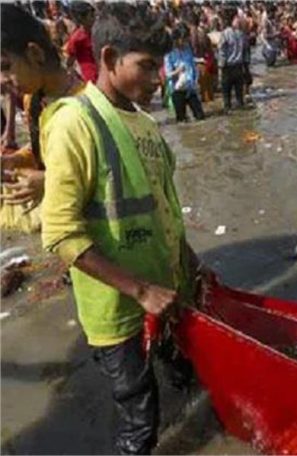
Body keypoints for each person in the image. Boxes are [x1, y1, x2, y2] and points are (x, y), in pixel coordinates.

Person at [40, 4, 209, 453]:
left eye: (161, 66)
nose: (159, 78)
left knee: (186, 368)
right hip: (118, 306)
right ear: (110, 58)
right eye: (147, 66)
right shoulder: (74, 124)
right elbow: (60, 233)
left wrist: (191, 265)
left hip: (165, 289)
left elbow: (164, 211)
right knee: (138, 411)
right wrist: (140, 291)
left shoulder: (146, 125)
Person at [0, 4, 85, 233]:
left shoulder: (85, 106)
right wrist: (17, 159)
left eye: (5, 67)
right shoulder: (34, 101)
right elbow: (43, 149)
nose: (1, 80)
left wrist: (49, 182)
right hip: (64, 223)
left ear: (35, 54)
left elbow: (101, 171)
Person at [165, 24, 205, 122]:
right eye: (183, 39)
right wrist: (177, 71)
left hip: (190, 88)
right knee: (181, 120)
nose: (186, 41)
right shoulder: (169, 53)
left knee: (200, 116)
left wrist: (197, 73)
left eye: (187, 38)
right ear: (176, 39)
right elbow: (167, 74)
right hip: (177, 90)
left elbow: (191, 64)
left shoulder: (188, 49)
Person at [218, 7, 247, 112]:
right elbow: (245, 52)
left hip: (229, 67)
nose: (239, 19)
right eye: (237, 17)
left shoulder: (226, 34)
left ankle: (229, 113)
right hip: (237, 67)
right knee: (239, 97)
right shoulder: (240, 34)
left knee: (227, 96)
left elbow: (222, 51)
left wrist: (221, 67)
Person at [65, 1, 98, 83]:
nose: (94, 18)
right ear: (81, 18)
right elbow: (69, 62)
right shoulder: (76, 39)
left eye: (94, 14)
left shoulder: (97, 32)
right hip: (90, 79)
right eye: (91, 15)